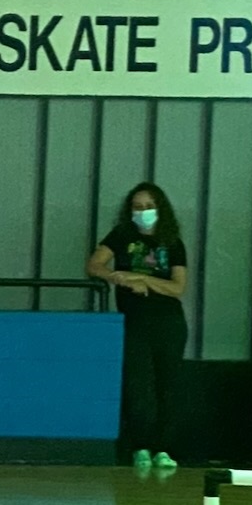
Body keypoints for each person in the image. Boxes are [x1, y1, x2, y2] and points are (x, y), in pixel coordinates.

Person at [86, 181, 190, 473]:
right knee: (138, 385)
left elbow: (178, 287)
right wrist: (117, 276)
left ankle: (164, 448)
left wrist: (142, 279)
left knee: (168, 385)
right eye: (138, 207)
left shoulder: (172, 242)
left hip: (169, 322)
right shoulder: (121, 235)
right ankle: (140, 446)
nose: (143, 212)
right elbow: (94, 265)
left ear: (160, 209)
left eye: (149, 207)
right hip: (134, 321)